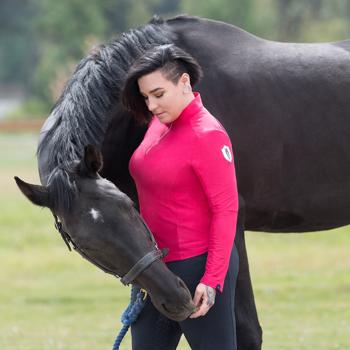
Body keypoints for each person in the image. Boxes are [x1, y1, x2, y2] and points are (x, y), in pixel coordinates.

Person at [122, 44, 239, 350]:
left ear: (184, 82)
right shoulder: (158, 123)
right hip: (154, 267)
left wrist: (212, 280)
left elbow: (226, 209)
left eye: (158, 94)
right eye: (146, 97)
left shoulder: (208, 134)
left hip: (196, 267)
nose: (151, 105)